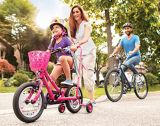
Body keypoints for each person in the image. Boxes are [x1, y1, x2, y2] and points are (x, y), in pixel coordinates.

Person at [69, 5, 96, 103]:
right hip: (79, 53)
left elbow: (86, 38)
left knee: (87, 76)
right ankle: (76, 98)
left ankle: (92, 99)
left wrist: (77, 44)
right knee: (76, 76)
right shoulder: (73, 28)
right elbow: (72, 41)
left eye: (77, 11)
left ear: (81, 12)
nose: (75, 14)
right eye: (73, 12)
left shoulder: (86, 24)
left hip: (89, 52)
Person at [47, 17, 73, 85]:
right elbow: (48, 51)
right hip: (60, 63)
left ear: (63, 29)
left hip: (69, 61)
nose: (54, 29)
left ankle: (68, 79)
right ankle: (51, 94)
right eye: (53, 28)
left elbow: (73, 47)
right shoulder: (53, 41)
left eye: (57, 27)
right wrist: (42, 55)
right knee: (51, 78)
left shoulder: (65, 39)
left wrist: (69, 48)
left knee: (62, 58)